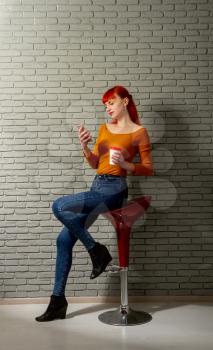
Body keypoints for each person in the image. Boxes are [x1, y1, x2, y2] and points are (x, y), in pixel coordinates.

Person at [35, 85, 153, 322]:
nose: (107, 107)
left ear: (126, 101)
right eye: (105, 104)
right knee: (63, 240)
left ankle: (96, 251)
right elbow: (94, 164)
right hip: (97, 186)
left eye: (111, 102)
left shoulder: (139, 132)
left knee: (59, 205)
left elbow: (148, 169)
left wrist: (127, 165)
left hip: (115, 189)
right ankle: (58, 302)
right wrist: (85, 147)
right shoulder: (103, 128)